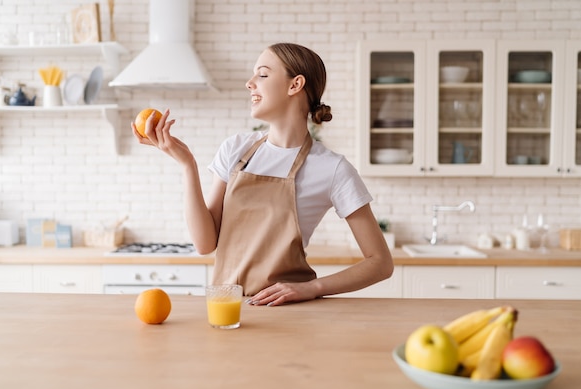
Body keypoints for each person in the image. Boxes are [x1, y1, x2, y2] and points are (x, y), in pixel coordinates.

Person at [132, 42, 394, 306]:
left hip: (291, 314)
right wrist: (187, 165)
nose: (249, 83)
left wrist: (313, 288)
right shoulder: (236, 149)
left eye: (263, 74)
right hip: (228, 310)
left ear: (295, 85)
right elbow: (205, 243)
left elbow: (380, 263)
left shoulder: (332, 168)